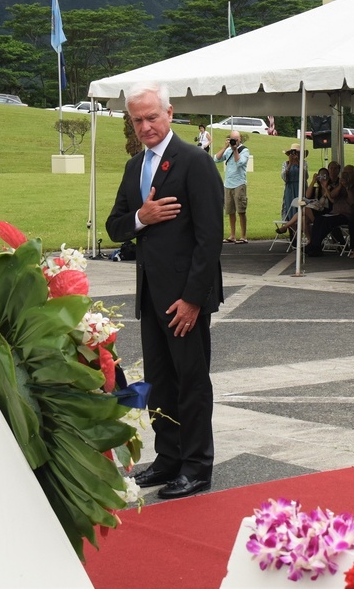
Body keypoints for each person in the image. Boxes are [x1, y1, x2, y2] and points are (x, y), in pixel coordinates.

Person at [105, 82, 224, 500]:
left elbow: (210, 238)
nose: (145, 126)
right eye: (137, 120)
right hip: (151, 296)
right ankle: (169, 459)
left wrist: (193, 299)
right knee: (159, 382)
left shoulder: (195, 162)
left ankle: (197, 467)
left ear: (169, 113)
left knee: (191, 382)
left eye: (152, 117)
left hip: (185, 299)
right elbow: (115, 226)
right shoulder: (134, 167)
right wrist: (142, 215)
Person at [214, 130, 250, 243]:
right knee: (230, 211)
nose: (234, 141)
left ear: (240, 139)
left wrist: (235, 150)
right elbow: (216, 159)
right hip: (228, 184)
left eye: (236, 139)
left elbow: (240, 163)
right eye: (232, 139)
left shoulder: (245, 150)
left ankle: (243, 236)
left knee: (241, 211)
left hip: (239, 183)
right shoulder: (228, 149)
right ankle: (232, 235)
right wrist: (225, 147)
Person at [280, 145, 305, 223]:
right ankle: (291, 230)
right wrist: (290, 164)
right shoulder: (286, 163)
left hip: (300, 187)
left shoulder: (303, 163)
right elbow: (284, 177)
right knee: (289, 207)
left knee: (301, 207)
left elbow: (305, 175)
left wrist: (298, 163)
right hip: (290, 188)